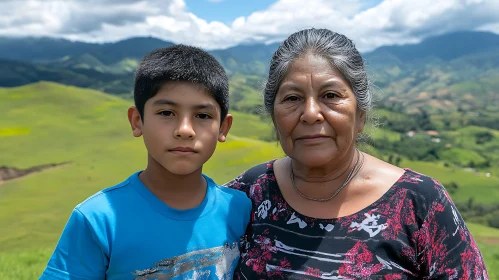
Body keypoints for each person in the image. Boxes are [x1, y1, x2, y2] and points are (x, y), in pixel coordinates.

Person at [225, 28, 489, 279]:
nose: (310, 114)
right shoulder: (250, 192)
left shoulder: (420, 202)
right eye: (292, 98)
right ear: (274, 116)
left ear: (360, 114)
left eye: (330, 95)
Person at [40, 45, 252, 280]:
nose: (184, 130)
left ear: (223, 128)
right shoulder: (98, 218)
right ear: (137, 121)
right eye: (166, 113)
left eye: (202, 116)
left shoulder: (240, 209)